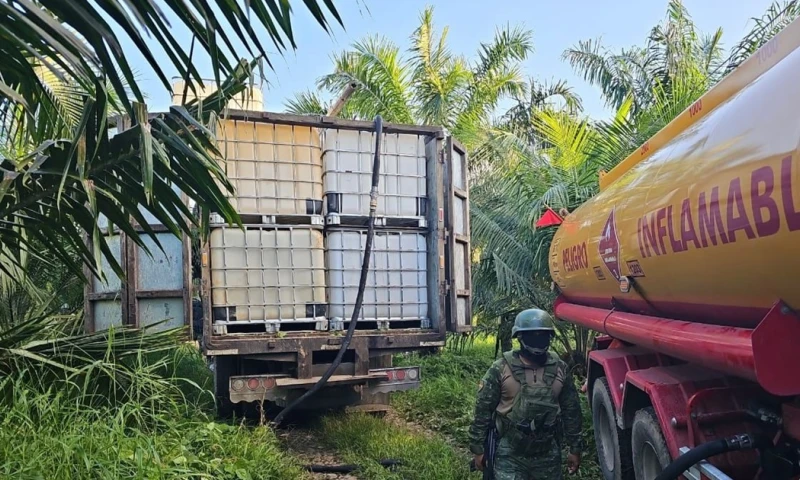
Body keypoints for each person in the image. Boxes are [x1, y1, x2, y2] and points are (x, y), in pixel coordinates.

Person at [468, 308, 583, 479]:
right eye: (532, 335)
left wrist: (575, 448)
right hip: (510, 451)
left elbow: (571, 411)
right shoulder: (500, 368)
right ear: (520, 337)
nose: (537, 340)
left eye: (542, 335)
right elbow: (483, 410)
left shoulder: (560, 369)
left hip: (547, 451)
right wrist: (478, 449)